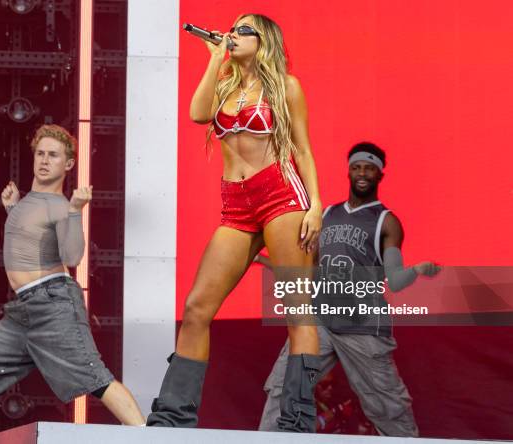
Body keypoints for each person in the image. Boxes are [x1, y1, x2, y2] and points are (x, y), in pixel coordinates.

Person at [147, 14, 323, 433]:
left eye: (244, 30)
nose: (234, 34)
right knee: (195, 308)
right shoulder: (224, 86)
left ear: (264, 41)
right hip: (237, 204)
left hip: (282, 196)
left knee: (297, 311)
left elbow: (303, 149)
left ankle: (297, 423)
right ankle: (172, 420)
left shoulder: (286, 86)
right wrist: (214, 60)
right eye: (233, 28)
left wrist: (315, 204)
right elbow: (197, 113)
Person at [0, 125, 144, 443]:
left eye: (53, 155)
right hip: (22, 312)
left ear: (68, 164)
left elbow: (73, 256)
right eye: (40, 153)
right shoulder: (27, 202)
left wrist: (77, 211)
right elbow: (28, 237)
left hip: (54, 305)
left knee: (96, 378)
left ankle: (146, 437)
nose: (44, 160)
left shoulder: (61, 206)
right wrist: (12, 208)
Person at [258, 142, 441, 435]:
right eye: (357, 167)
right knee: (284, 388)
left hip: (363, 326)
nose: (362, 173)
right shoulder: (326, 215)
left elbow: (394, 280)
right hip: (321, 319)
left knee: (387, 406)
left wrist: (417, 271)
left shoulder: (387, 222)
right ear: (349, 171)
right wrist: (263, 259)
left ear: (380, 174)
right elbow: (308, 267)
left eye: (369, 168)